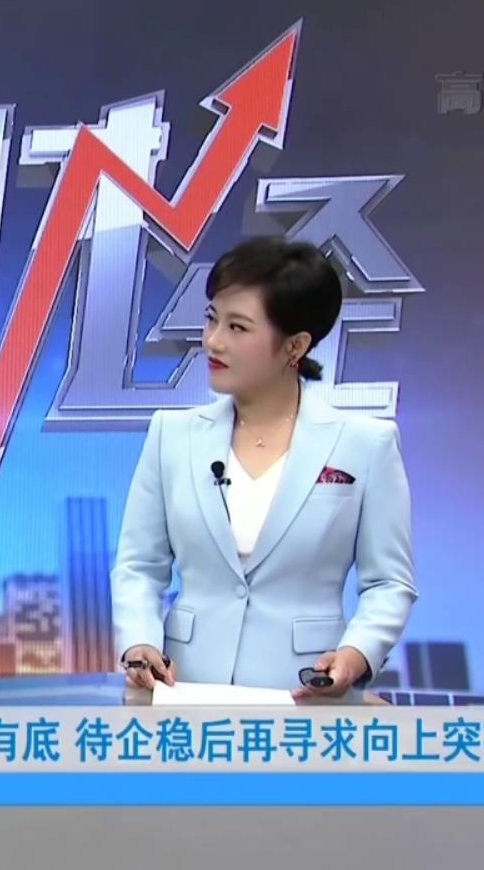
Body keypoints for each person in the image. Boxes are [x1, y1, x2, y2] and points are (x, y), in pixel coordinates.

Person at [111, 237, 416, 699]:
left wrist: (357, 654)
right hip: (184, 690)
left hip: (305, 694)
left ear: (295, 346)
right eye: (212, 318)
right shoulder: (172, 435)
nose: (213, 341)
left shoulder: (364, 444)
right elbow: (139, 566)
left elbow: (389, 582)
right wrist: (139, 643)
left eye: (238, 327)